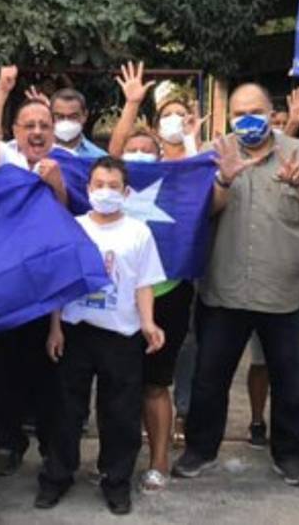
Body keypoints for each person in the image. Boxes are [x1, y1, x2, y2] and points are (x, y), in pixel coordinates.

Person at [173, 83, 299, 487]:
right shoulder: (215, 152)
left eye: (256, 111)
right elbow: (196, 213)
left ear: (271, 111)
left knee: (292, 382)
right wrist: (223, 181)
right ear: (228, 116)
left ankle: (288, 453)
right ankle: (200, 449)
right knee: (210, 378)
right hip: (225, 290)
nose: (248, 119)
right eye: (239, 113)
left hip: (289, 292)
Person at [38, 156, 166, 515]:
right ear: (88, 188)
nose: (105, 192)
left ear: (125, 192)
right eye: (99, 185)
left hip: (120, 335)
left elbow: (144, 284)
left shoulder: (139, 232)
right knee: (65, 409)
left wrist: (148, 323)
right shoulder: (74, 228)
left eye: (113, 186)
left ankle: (116, 480)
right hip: (77, 331)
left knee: (121, 412)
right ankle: (57, 476)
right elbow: (60, 284)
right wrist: (55, 327)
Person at [103, 64, 200, 490]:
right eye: (133, 149)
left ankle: (159, 460)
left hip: (168, 294)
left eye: (149, 148)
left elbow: (201, 181)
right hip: (117, 296)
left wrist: (193, 139)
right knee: (118, 385)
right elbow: (114, 149)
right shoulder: (109, 185)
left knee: (155, 384)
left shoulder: (178, 184)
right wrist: (131, 104)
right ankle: (115, 463)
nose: (140, 153)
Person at [0, 64, 67, 476]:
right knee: (5, 371)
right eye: (28, 124)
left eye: (44, 124)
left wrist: (57, 183)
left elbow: (68, 215)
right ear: (16, 130)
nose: (37, 132)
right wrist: (1, 90)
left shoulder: (66, 162)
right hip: (6, 285)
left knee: (51, 373)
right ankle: (8, 443)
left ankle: (51, 446)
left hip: (48, 287)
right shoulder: (6, 157)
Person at [49, 88, 106, 158]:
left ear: (85, 116)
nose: (66, 122)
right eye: (60, 117)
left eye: (73, 117)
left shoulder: (98, 158)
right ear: (50, 116)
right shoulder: (38, 153)